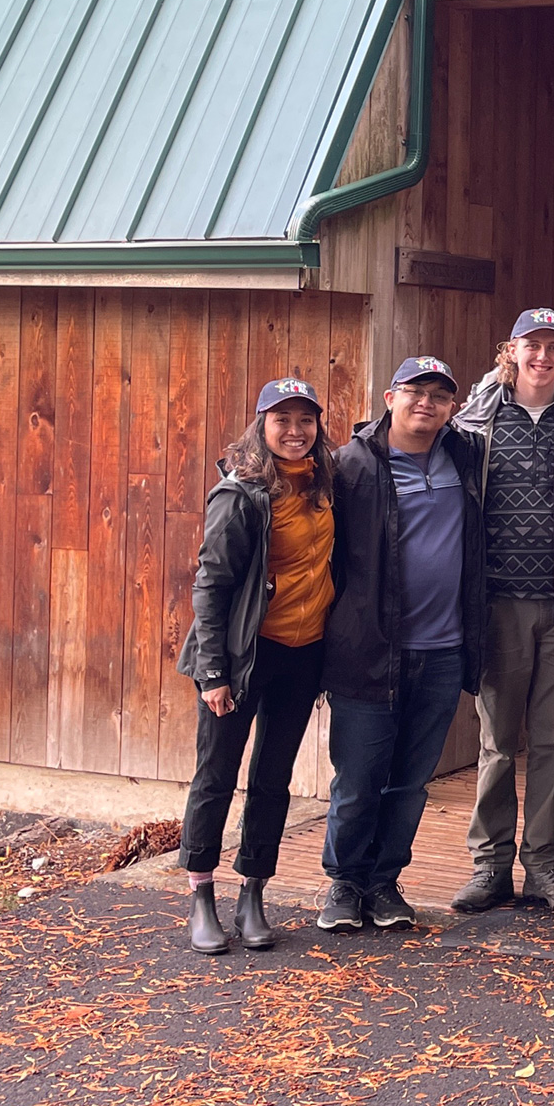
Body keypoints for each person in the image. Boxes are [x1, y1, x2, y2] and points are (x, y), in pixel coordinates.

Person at [449, 308, 554, 916]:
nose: (542, 357)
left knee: (553, 739)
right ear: (511, 351)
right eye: (532, 346)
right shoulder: (472, 422)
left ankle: (544, 864)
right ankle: (489, 865)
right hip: (497, 603)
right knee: (497, 742)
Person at [317, 356, 485, 932]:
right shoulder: (351, 466)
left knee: (410, 780)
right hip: (369, 650)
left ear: (452, 407)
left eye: (440, 395)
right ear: (390, 397)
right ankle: (344, 884)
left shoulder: (465, 457)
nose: (427, 403)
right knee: (360, 777)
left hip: (442, 650)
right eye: (415, 391)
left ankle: (385, 884)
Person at [174, 378, 337, 954]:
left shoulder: (326, 484)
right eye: (282, 420)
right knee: (216, 776)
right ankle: (201, 896)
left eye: (305, 421)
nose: (295, 431)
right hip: (243, 656)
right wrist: (213, 673)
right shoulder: (241, 494)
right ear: (262, 426)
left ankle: (253, 893)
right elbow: (211, 586)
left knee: (273, 780)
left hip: (303, 652)